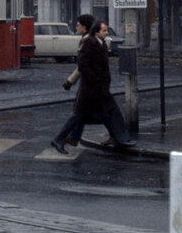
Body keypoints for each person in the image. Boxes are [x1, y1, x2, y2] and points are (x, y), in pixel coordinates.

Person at [51, 21, 133, 154]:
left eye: (107, 30)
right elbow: (82, 65)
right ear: (96, 32)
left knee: (109, 112)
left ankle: (119, 138)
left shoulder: (102, 44)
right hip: (91, 90)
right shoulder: (89, 43)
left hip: (100, 88)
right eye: (104, 31)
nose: (107, 33)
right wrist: (95, 80)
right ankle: (59, 139)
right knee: (79, 116)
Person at [55, 14, 96, 149]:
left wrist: (69, 81)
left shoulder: (87, 40)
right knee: (82, 113)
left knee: (80, 113)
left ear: (84, 27)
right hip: (90, 83)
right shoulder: (90, 39)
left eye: (78, 25)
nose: (76, 27)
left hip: (89, 83)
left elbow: (82, 66)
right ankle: (70, 137)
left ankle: (64, 138)